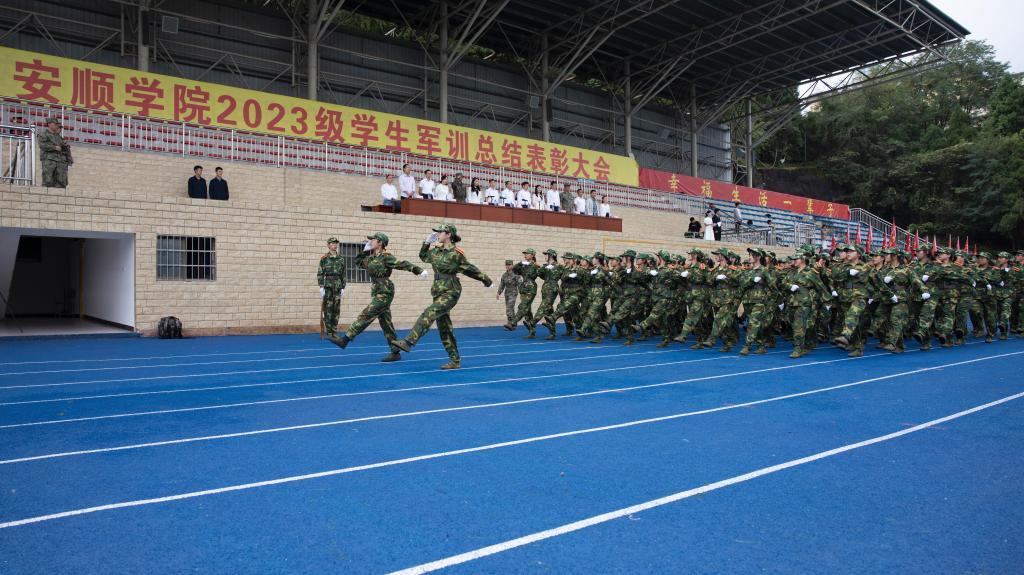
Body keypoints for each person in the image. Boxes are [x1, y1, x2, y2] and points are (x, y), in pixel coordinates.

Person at [393, 223, 493, 369]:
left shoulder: (456, 253)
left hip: (451, 291)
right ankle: (455, 361)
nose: (437, 235)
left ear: (448, 234)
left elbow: (470, 269)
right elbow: (423, 256)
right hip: (438, 291)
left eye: (440, 232)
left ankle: (408, 342)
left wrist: (487, 280)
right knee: (444, 327)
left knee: (429, 312)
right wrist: (426, 243)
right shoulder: (436, 251)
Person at [330, 232, 427, 361]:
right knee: (386, 323)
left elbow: (402, 264)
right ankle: (395, 352)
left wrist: (419, 270)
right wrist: (364, 252)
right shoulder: (372, 258)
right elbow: (358, 262)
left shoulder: (386, 257)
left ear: (380, 242)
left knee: (367, 313)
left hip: (385, 291)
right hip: (377, 290)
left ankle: (345, 339)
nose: (371, 241)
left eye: (373, 240)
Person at [317, 237, 347, 338]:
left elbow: (343, 273)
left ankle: (334, 330)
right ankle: (329, 331)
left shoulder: (341, 258)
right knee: (328, 309)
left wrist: (343, 287)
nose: (335, 245)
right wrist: (321, 286)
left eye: (336, 243)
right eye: (333, 243)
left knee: (336, 309)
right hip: (328, 286)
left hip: (338, 286)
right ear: (328, 245)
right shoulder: (324, 258)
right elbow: (320, 273)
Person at [38, 117, 73, 188]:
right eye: (55, 124)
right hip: (49, 160)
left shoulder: (58, 137)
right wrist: (54, 147)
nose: (56, 126)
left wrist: (65, 146)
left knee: (60, 182)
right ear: (49, 124)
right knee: (48, 181)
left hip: (60, 161)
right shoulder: (43, 134)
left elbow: (64, 149)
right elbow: (42, 145)